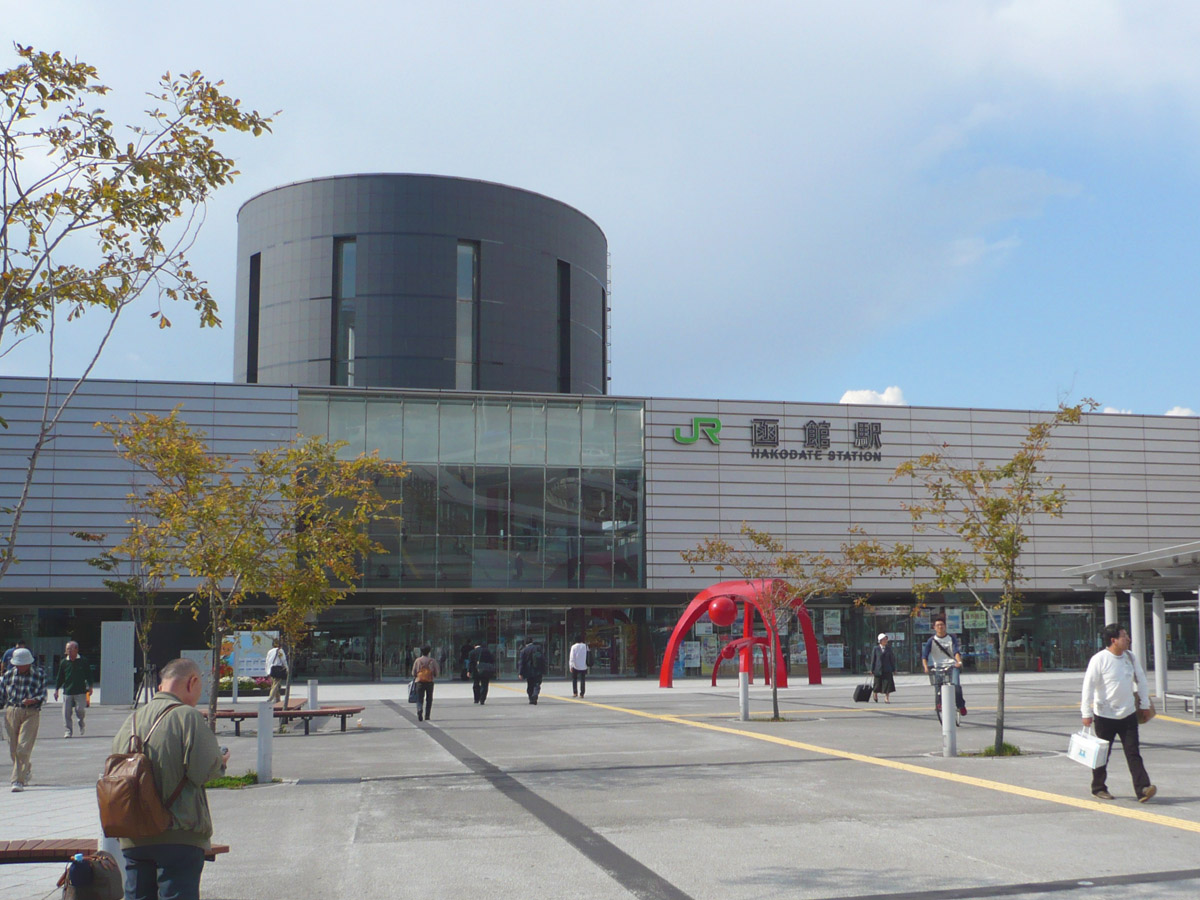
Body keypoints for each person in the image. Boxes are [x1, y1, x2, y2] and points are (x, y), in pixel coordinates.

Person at [113, 658, 228, 900]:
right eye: (200, 685)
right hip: (178, 833)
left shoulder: (131, 721)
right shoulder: (187, 717)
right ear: (192, 682)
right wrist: (220, 762)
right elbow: (202, 771)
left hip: (134, 836)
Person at [1082, 623, 1157, 802]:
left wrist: (1145, 705)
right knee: (1102, 754)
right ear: (1113, 640)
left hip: (1128, 714)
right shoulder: (1099, 659)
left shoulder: (1130, 657)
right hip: (1105, 716)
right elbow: (1088, 687)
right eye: (1124, 636)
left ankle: (1143, 788)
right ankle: (1098, 787)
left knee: (1133, 752)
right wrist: (1086, 712)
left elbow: (1142, 681)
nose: (1128, 639)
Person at [1, 647, 45, 791]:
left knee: (23, 747)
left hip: (31, 712)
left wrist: (34, 700)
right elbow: (2, 695)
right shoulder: (8, 675)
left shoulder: (38, 674)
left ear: (29, 663)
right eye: (17, 664)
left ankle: (17, 781)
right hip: (12, 711)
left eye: (22, 664)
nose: (19, 667)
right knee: (13, 749)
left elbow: (43, 694)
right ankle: (25, 770)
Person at [922, 617, 966, 716]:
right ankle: (939, 704)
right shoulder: (931, 640)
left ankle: (960, 706)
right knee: (938, 687)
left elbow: (956, 652)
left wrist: (958, 662)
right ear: (934, 627)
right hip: (938, 666)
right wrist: (925, 667)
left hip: (952, 665)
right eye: (938, 625)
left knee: (956, 686)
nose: (940, 627)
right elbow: (924, 655)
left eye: (942, 625)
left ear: (945, 626)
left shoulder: (951, 638)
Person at [54, 640, 92, 737]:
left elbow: (89, 674)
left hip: (80, 691)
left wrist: (90, 686)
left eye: (70, 649)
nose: (68, 651)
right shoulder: (64, 662)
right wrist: (56, 690)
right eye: (67, 649)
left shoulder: (83, 661)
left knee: (80, 710)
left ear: (76, 650)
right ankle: (68, 731)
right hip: (68, 691)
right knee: (66, 712)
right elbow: (60, 677)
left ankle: (81, 723)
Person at [411, 645, 439, 722]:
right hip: (429, 681)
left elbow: (413, 672)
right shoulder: (432, 661)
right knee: (429, 699)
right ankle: (427, 715)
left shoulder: (418, 660)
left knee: (419, 698)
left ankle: (419, 709)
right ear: (429, 652)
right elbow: (436, 672)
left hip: (419, 681)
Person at [869, 633, 896, 703]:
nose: (886, 641)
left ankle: (886, 698)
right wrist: (871, 669)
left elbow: (891, 659)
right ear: (880, 641)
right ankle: (875, 693)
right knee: (877, 684)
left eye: (886, 639)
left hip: (887, 669)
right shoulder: (876, 649)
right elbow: (873, 659)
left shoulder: (889, 649)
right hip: (878, 669)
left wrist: (894, 669)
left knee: (888, 685)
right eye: (884, 639)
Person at [518, 638, 546, 704]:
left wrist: (520, 673)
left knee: (530, 684)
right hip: (538, 670)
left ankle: (531, 698)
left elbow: (521, 662)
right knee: (537, 684)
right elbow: (543, 659)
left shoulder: (524, 650)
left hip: (528, 671)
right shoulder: (538, 648)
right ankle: (535, 694)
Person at [265, 640, 288, 705]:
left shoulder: (270, 651)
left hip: (271, 669)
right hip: (278, 668)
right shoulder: (280, 651)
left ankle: (278, 699)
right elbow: (283, 660)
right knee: (276, 684)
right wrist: (287, 668)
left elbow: (267, 661)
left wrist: (267, 671)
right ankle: (270, 698)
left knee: (275, 683)